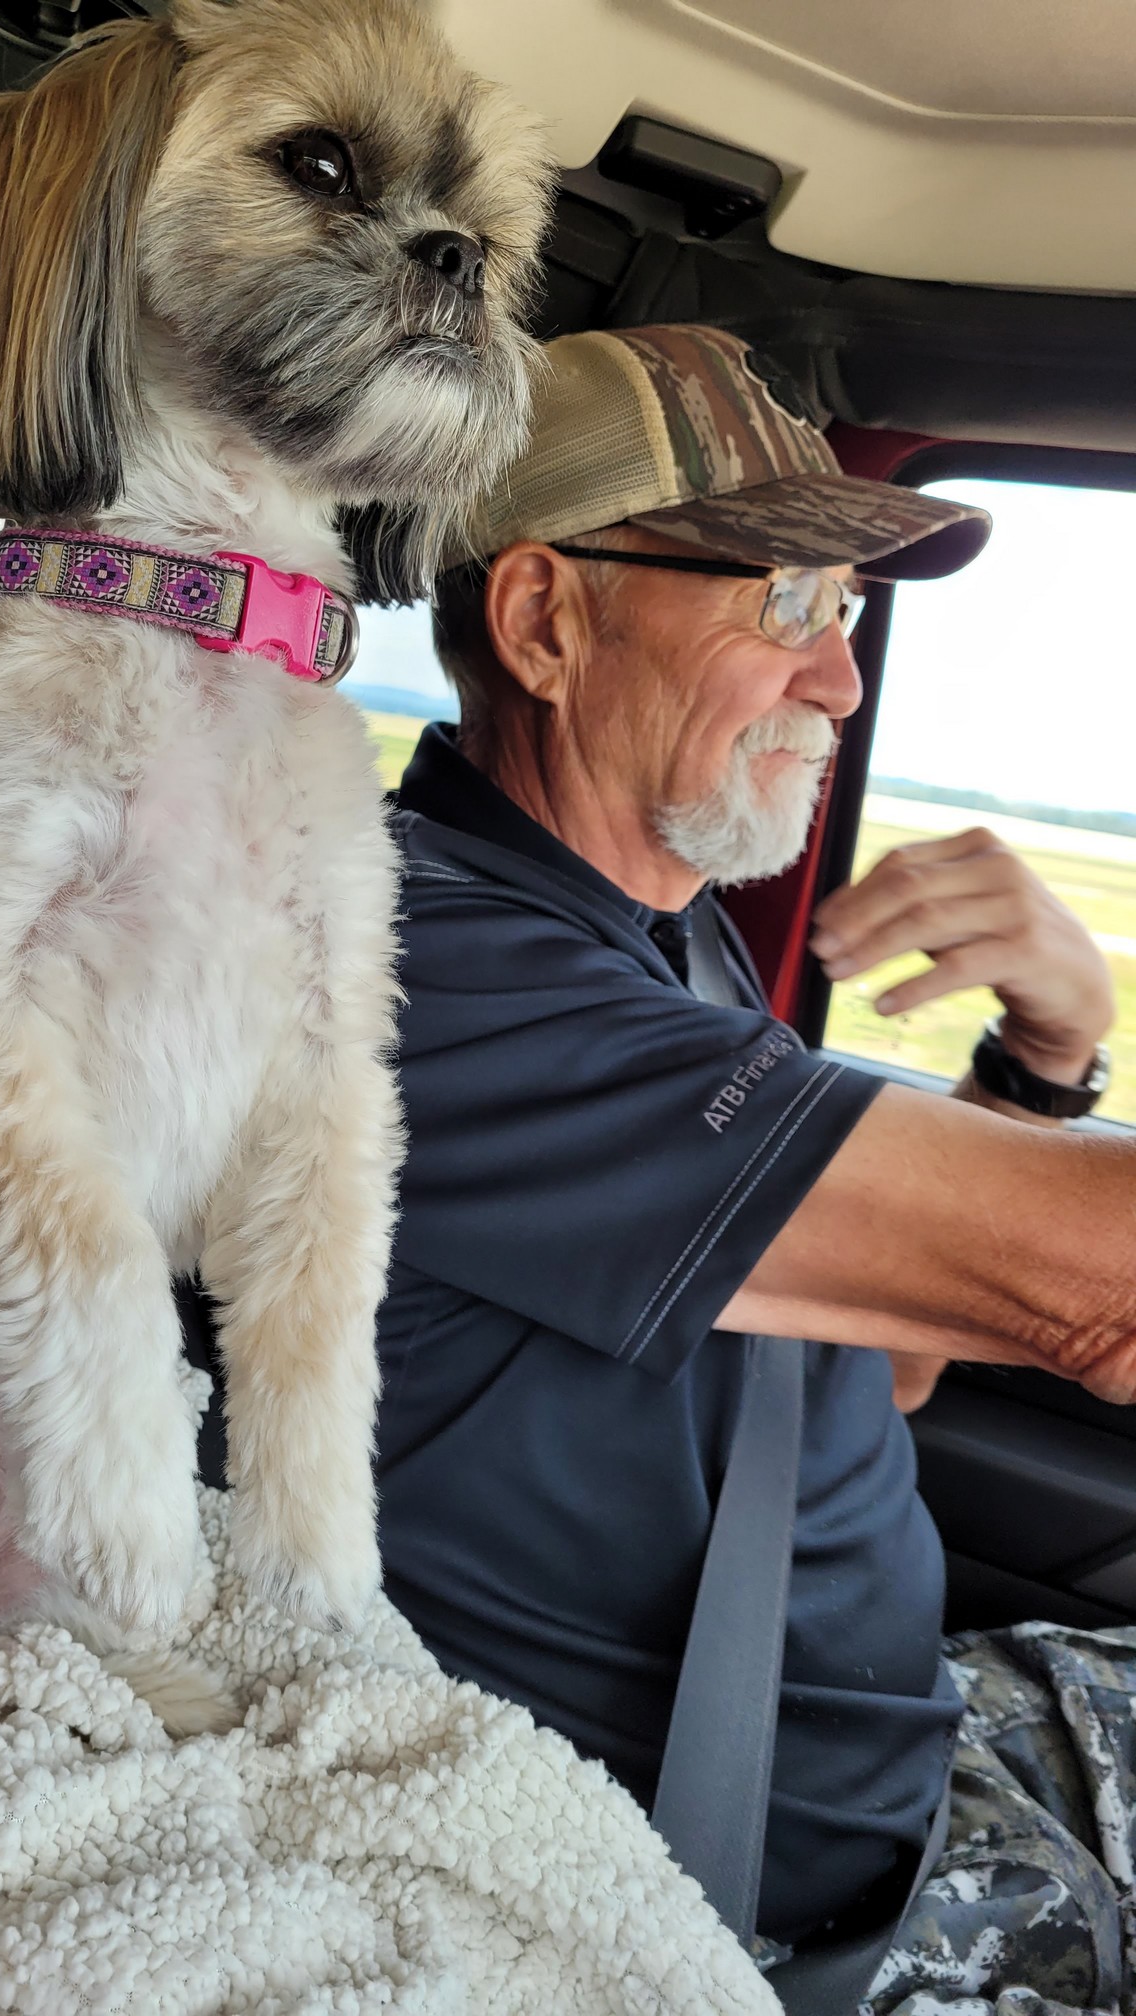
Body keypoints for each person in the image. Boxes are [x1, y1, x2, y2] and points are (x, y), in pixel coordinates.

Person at [374, 323, 1135, 2012]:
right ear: (544, 622)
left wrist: (1045, 1059)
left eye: (846, 611)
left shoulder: (665, 934)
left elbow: (888, 1371)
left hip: (925, 1742)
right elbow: (1109, 1292)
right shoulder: (423, 967)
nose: (843, 683)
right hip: (779, 1887)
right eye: (786, 605)